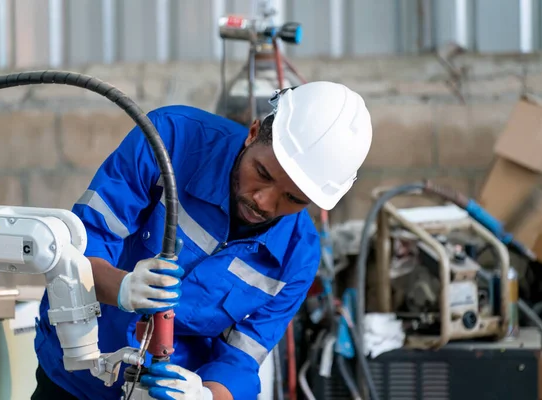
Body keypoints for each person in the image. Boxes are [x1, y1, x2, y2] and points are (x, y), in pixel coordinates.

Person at [31, 81, 373, 400]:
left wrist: (206, 396)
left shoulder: (296, 257)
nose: (264, 202)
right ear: (253, 133)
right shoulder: (171, 140)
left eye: (293, 199)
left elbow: (240, 359)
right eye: (263, 174)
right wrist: (121, 287)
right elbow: (80, 246)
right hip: (73, 376)